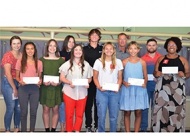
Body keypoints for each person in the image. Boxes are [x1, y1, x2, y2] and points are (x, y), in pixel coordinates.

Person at [152, 37, 190, 132]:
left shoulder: (183, 59)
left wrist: (184, 74)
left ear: (177, 46)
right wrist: (157, 74)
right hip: (162, 91)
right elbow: (155, 72)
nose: (171, 46)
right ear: (166, 47)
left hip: (178, 91)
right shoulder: (161, 59)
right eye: (169, 45)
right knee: (161, 111)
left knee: (176, 111)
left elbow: (188, 73)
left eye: (173, 44)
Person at [59, 44, 92, 132]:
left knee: (80, 114)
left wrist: (87, 83)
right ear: (73, 52)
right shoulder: (67, 64)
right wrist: (69, 82)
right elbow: (62, 78)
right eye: (76, 50)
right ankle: (69, 131)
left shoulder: (86, 64)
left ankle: (77, 131)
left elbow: (90, 78)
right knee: (69, 115)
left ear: (82, 52)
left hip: (82, 93)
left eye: (80, 50)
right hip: (69, 93)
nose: (78, 52)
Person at [93, 42, 123, 132]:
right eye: (106, 49)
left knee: (113, 116)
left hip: (114, 93)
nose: (109, 50)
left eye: (111, 48)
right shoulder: (98, 62)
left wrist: (117, 87)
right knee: (101, 116)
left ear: (114, 50)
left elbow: (120, 77)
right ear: (103, 50)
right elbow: (95, 77)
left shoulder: (118, 62)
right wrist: (99, 87)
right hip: (102, 92)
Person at [120, 41, 149, 132]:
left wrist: (145, 82)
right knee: (127, 112)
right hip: (128, 89)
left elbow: (146, 76)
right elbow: (120, 76)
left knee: (138, 112)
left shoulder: (142, 62)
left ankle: (136, 132)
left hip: (139, 89)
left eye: (135, 48)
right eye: (131, 48)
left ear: (138, 50)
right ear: (128, 50)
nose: (133, 50)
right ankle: (128, 132)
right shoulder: (124, 62)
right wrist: (123, 82)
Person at [15, 42, 43, 132]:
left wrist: (40, 81)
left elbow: (40, 76)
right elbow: (16, 76)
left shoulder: (39, 63)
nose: (30, 51)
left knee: (33, 112)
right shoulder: (20, 61)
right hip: (23, 89)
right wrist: (20, 81)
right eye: (27, 49)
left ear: (35, 50)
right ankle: (23, 132)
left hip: (35, 89)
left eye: (32, 48)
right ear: (25, 50)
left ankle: (31, 132)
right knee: (23, 112)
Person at [40, 39, 65, 132]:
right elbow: (39, 74)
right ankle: (47, 130)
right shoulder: (41, 60)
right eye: (50, 45)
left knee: (55, 110)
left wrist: (59, 82)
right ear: (47, 47)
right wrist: (42, 81)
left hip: (57, 88)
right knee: (45, 110)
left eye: (54, 46)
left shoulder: (61, 61)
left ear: (57, 48)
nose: (52, 48)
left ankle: (53, 130)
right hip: (45, 88)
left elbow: (64, 75)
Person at [1, 36, 22, 132]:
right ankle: (7, 130)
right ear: (10, 45)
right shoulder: (7, 55)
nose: (16, 45)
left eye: (18, 43)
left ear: (21, 44)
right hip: (9, 83)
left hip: (19, 82)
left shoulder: (22, 55)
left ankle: (16, 128)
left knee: (18, 108)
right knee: (11, 107)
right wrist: (14, 88)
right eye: (14, 43)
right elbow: (8, 73)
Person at [140, 39, 162, 132]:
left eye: (153, 45)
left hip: (158, 86)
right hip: (145, 86)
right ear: (146, 46)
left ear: (156, 46)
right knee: (144, 108)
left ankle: (155, 129)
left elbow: (164, 71)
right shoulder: (142, 58)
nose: (151, 47)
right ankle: (143, 129)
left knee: (156, 109)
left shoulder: (161, 58)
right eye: (149, 45)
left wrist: (160, 76)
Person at [83, 28, 102, 132]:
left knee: (98, 104)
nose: (94, 36)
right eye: (92, 35)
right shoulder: (84, 49)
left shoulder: (103, 49)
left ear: (99, 37)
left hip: (99, 81)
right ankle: (88, 126)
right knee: (88, 104)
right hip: (88, 80)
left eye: (96, 35)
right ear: (89, 36)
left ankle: (97, 126)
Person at [59, 35, 76, 132]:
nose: (71, 44)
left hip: (75, 84)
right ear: (66, 42)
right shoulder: (60, 54)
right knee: (62, 106)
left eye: (73, 42)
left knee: (73, 106)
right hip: (63, 83)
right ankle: (62, 127)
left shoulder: (77, 54)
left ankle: (70, 127)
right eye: (69, 41)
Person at [115, 33, 129, 132]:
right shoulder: (113, 52)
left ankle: (123, 127)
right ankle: (115, 127)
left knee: (126, 106)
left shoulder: (131, 51)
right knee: (115, 105)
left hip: (128, 84)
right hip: (116, 83)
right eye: (120, 39)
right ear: (117, 40)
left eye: (124, 39)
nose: (122, 41)